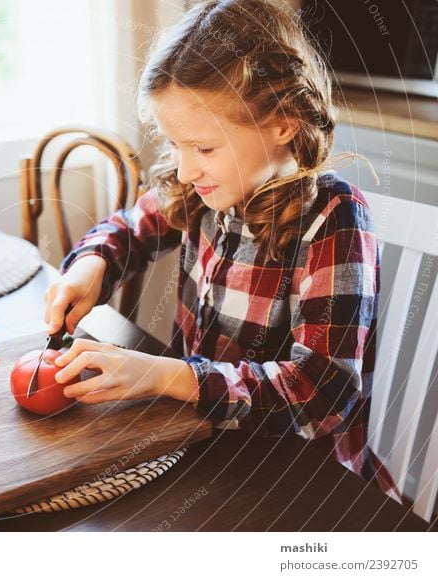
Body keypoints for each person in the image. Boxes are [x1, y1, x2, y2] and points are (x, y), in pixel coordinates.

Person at [44, 0, 398, 497]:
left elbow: (321, 394)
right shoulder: (200, 188)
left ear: (282, 123)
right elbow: (127, 228)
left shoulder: (335, 220)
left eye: (204, 148)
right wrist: (92, 264)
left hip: (299, 483)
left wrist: (167, 376)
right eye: (175, 145)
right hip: (205, 446)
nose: (186, 170)